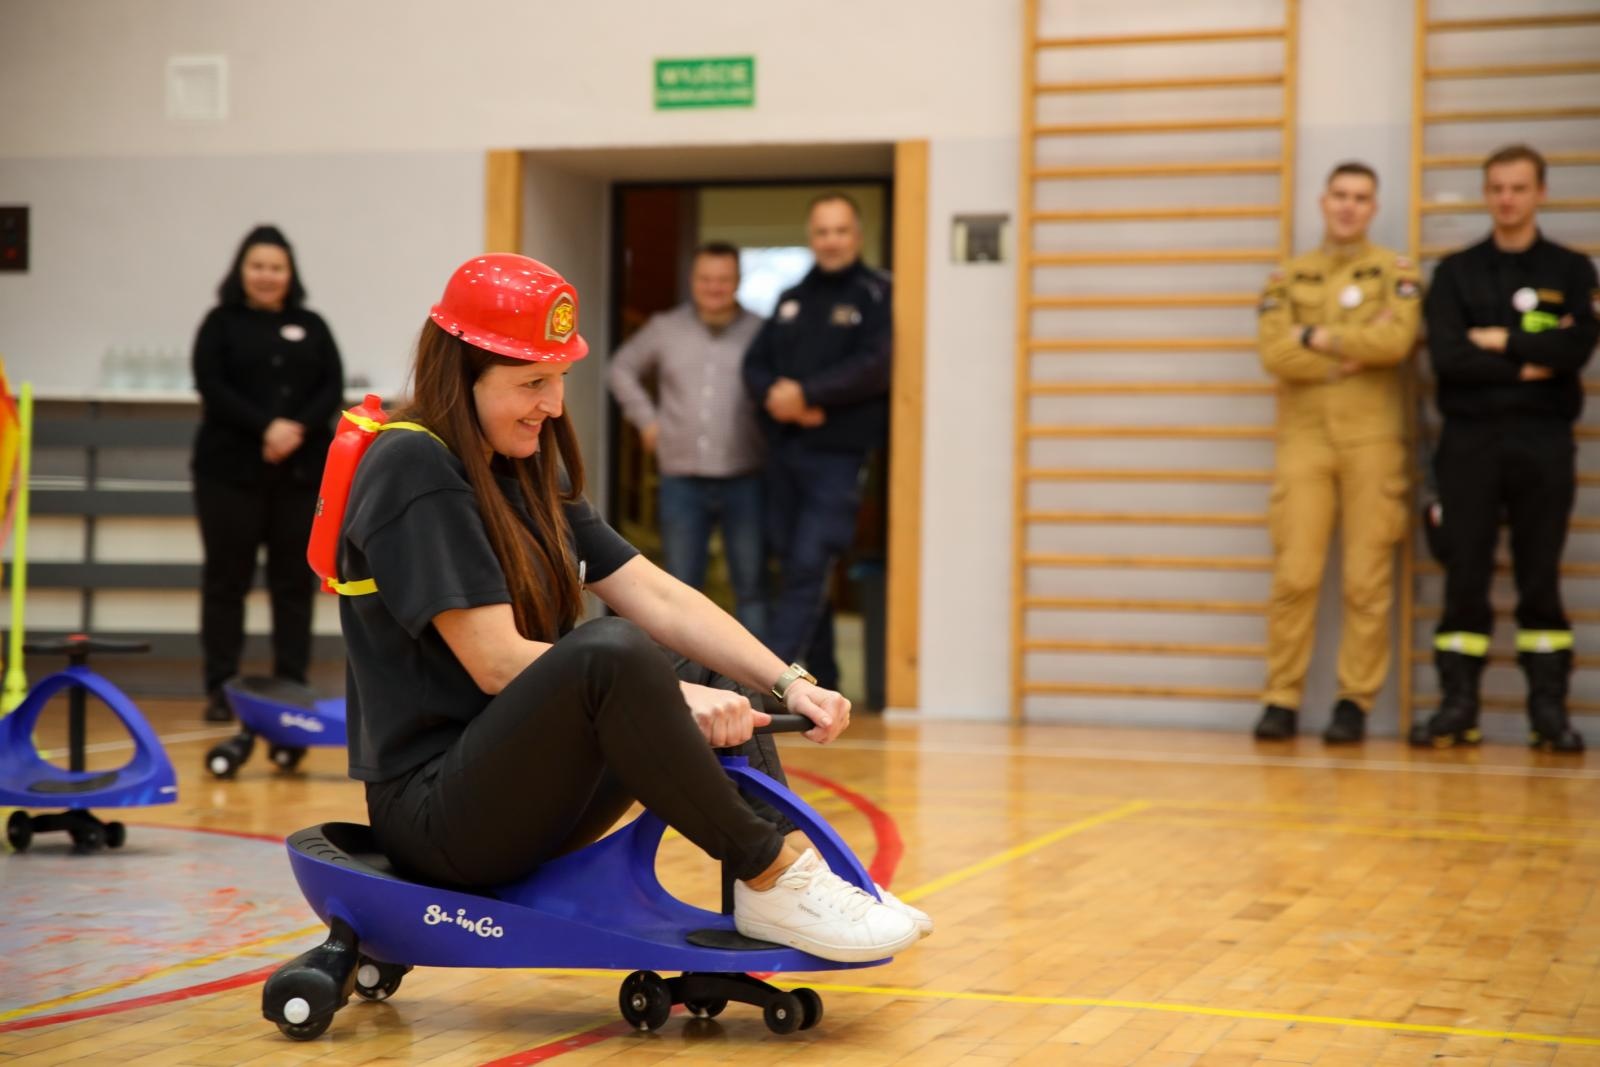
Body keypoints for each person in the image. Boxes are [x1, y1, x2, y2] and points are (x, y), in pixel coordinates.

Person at [336, 253, 929, 961]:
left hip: (520, 788)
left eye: (558, 379)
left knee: (688, 659)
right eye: (531, 382)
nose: (553, 405)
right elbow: (494, 661)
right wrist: (669, 695)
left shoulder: (522, 465)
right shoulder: (414, 466)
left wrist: (788, 679)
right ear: (459, 374)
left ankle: (788, 882)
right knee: (614, 651)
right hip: (437, 815)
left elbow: (656, 591)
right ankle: (772, 870)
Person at [1413, 144, 1599, 752]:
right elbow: (1449, 359)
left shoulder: (1572, 272)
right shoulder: (1456, 273)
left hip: (1542, 442)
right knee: (1464, 572)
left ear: (1540, 192)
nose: (1507, 199)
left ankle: (1547, 711)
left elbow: (1575, 352)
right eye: (1496, 188)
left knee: (1538, 573)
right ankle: (1457, 706)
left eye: (1518, 188)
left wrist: (1499, 342)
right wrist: (1527, 361)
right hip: (1468, 443)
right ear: (1486, 192)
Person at [1253, 163, 1423, 743]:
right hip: (1305, 441)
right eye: (1341, 196)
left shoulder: (1395, 272)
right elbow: (1275, 355)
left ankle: (1354, 701)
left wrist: (1317, 336)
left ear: (1374, 208)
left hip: (1373, 439)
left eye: (1362, 198)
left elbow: (1395, 341)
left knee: (1365, 580)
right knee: (1295, 573)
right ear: (1323, 202)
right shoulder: (1287, 278)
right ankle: (1281, 698)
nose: (1349, 207)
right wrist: (1347, 354)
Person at [191, 225, 344, 721]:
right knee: (226, 582)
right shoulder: (220, 323)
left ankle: (291, 685)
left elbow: (331, 385)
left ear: (290, 273)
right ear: (242, 270)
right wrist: (266, 427)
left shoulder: (313, 324)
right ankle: (221, 688)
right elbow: (210, 383)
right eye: (257, 266)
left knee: (294, 583)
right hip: (229, 474)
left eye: (276, 267)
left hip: (300, 477)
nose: (266, 275)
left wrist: (294, 428)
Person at [742, 193, 890, 692]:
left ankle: (770, 685)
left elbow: (875, 365)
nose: (830, 241)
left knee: (810, 562)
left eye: (840, 231)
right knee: (795, 564)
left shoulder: (876, 293)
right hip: (784, 454)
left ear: (857, 236)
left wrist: (808, 393)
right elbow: (754, 365)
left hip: (839, 457)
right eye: (822, 232)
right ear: (812, 238)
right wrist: (778, 397)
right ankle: (824, 674)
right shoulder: (791, 298)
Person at [607, 241, 767, 637]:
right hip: (681, 478)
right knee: (681, 586)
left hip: (746, 476)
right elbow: (620, 369)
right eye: (705, 279)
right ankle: (689, 686)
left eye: (723, 279)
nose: (714, 287)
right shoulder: (665, 328)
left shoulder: (761, 332)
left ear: (737, 281)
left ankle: (769, 691)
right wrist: (646, 421)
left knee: (751, 586)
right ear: (692, 281)